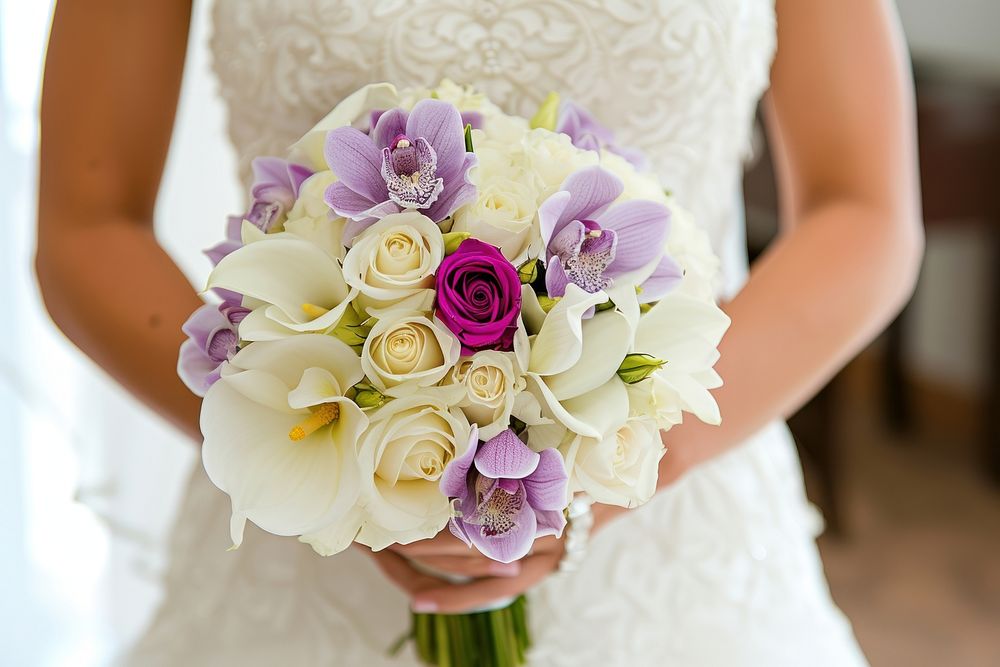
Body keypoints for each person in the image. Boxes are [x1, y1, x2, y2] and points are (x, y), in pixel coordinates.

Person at [36, 1, 922, 665]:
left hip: (681, 521)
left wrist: (629, 463)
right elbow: (86, 224)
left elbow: (865, 210)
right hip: (311, 512)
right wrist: (318, 466)